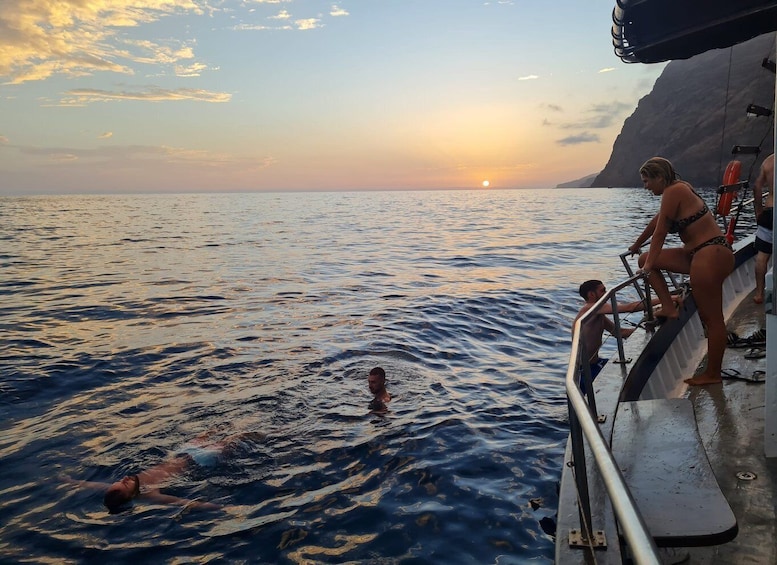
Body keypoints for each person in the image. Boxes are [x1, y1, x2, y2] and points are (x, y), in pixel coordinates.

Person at [628, 157, 734, 386]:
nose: (645, 186)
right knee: (647, 259)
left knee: (712, 319)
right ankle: (668, 307)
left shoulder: (674, 191)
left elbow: (661, 233)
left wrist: (647, 269)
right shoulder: (679, 188)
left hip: (710, 255)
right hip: (699, 253)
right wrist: (638, 246)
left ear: (659, 177)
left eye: (647, 181)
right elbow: (658, 222)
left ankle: (713, 374)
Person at [66, 431, 263, 513]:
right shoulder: (150, 495)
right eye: (125, 483)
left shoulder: (122, 489)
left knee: (211, 431)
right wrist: (222, 508)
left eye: (120, 480)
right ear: (130, 495)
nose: (125, 477)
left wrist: (70, 481)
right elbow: (185, 503)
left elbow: (94, 485)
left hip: (179, 453)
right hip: (198, 460)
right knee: (236, 438)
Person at [574, 279, 656, 380]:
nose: (606, 294)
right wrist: (665, 299)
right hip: (584, 369)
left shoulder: (598, 316)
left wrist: (645, 329)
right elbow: (629, 307)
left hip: (596, 362)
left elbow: (621, 333)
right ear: (591, 294)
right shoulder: (589, 309)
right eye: (602, 291)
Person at [753, 153, 774, 304]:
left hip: (770, 210)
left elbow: (757, 186)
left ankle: (759, 293)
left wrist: (759, 210)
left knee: (762, 256)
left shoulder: (769, 161)